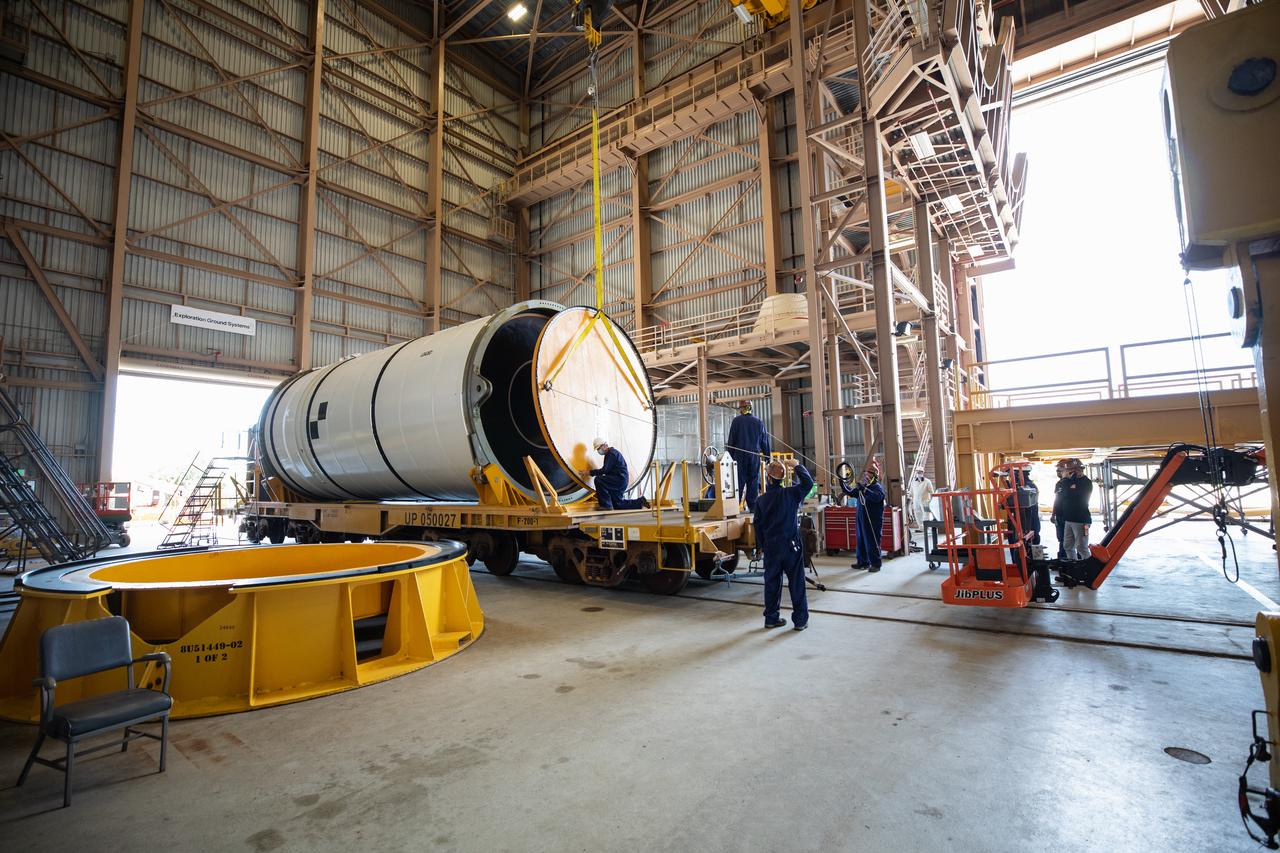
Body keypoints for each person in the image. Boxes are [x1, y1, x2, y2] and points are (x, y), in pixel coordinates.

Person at [753, 458, 813, 630]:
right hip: (791, 546)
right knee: (796, 582)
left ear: (768, 478)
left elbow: (757, 525)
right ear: (783, 478)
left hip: (771, 548)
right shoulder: (791, 494)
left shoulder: (761, 501)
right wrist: (797, 465)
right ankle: (800, 621)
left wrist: (762, 546)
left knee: (771, 583)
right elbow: (808, 483)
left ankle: (771, 618)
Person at [579, 437, 649, 511]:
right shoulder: (611, 454)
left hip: (619, 480)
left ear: (604, 445)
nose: (598, 451)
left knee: (598, 480)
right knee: (617, 504)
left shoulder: (611, 454)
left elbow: (604, 470)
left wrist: (589, 472)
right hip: (620, 480)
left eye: (598, 448)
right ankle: (640, 502)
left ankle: (605, 505)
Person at [726, 400, 770, 511]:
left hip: (739, 455)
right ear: (751, 408)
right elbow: (764, 440)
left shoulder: (736, 421)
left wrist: (729, 457)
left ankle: (735, 507)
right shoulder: (758, 422)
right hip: (754, 455)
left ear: (741, 409)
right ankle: (752, 506)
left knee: (739, 480)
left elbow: (731, 441)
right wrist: (767, 456)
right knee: (753, 480)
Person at [842, 462, 886, 572]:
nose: (867, 475)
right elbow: (850, 492)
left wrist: (865, 490)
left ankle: (876, 564)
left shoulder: (877, 487)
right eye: (866, 473)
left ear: (874, 475)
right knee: (861, 540)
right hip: (861, 519)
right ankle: (862, 562)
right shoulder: (863, 487)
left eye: (869, 473)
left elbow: (877, 497)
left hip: (873, 520)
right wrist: (842, 482)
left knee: (872, 542)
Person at [1057, 458, 1092, 560]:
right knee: (1068, 546)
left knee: (1081, 547)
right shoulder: (1069, 481)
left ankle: (1089, 568)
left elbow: (1070, 494)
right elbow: (1065, 493)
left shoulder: (1086, 482)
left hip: (1080, 520)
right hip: (1069, 519)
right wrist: (1068, 484)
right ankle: (1074, 566)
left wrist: (1067, 482)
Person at [1050, 460, 1069, 559]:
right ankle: (1062, 558)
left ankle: (1074, 560)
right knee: (1061, 539)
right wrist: (1053, 514)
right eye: (1057, 470)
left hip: (1069, 516)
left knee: (1069, 540)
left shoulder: (1071, 483)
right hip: (1059, 516)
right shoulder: (1058, 484)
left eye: (1060, 469)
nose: (1058, 472)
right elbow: (1057, 499)